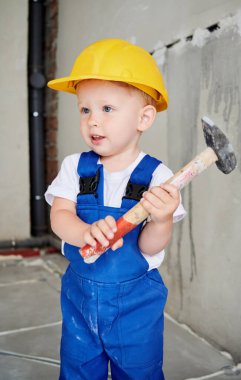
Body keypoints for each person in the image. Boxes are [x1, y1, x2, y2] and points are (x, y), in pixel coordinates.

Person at [45, 38, 186, 380]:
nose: (93, 121)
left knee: (138, 370)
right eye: (85, 109)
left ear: (144, 117)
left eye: (107, 109)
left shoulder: (158, 177)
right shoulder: (75, 167)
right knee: (79, 367)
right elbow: (59, 216)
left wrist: (162, 218)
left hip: (135, 303)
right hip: (81, 294)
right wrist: (83, 232)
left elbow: (150, 247)